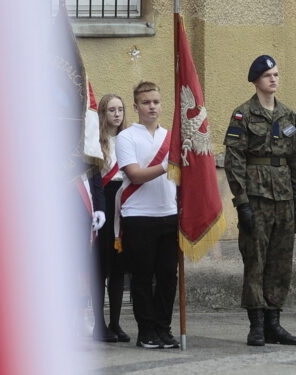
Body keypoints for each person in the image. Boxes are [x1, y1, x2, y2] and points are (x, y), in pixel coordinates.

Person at [223, 55, 296, 346]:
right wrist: (242, 202)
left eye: (276, 74)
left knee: (281, 262)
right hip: (257, 198)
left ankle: (274, 322)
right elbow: (234, 161)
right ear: (256, 81)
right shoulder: (242, 115)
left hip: (284, 197)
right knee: (256, 261)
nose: (274, 79)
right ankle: (256, 325)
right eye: (268, 75)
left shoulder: (288, 115)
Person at [115, 81, 179, 349]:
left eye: (155, 101)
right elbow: (134, 174)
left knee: (167, 276)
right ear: (136, 106)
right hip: (139, 215)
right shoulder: (126, 137)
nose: (152, 106)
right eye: (146, 102)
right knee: (142, 277)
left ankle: (163, 329)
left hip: (169, 212)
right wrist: (166, 165)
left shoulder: (170, 137)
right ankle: (146, 331)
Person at [90, 94, 131, 343]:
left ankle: (115, 323)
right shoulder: (96, 142)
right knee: (101, 268)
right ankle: (99, 324)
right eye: (111, 110)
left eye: (120, 109)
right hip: (105, 200)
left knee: (119, 269)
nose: (117, 114)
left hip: (124, 203)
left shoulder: (128, 140)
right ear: (103, 114)